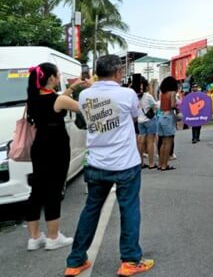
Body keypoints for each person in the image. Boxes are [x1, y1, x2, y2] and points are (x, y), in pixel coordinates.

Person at [65, 55, 154, 276]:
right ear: (117, 73)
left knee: (90, 210)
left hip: (96, 163)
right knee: (129, 209)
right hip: (125, 163)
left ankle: (75, 261)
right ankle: (130, 260)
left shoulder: (85, 94)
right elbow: (135, 116)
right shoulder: (127, 94)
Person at [25, 64, 88, 252]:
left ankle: (34, 238)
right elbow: (84, 108)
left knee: (37, 191)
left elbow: (57, 99)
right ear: (51, 78)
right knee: (53, 191)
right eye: (58, 75)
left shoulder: (33, 99)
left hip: (39, 147)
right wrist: (88, 87)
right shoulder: (58, 100)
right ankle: (53, 237)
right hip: (56, 149)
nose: (59, 77)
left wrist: (71, 88)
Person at [136, 78, 158, 169]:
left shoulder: (133, 97)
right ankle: (151, 163)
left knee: (141, 142)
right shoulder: (148, 96)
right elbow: (155, 106)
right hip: (150, 120)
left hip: (140, 121)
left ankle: (141, 162)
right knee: (150, 142)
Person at [157, 76, 178, 171]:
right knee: (168, 142)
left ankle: (160, 164)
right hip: (168, 117)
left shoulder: (162, 94)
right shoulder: (172, 93)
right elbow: (173, 105)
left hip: (161, 117)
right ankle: (165, 165)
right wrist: (178, 110)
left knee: (162, 143)